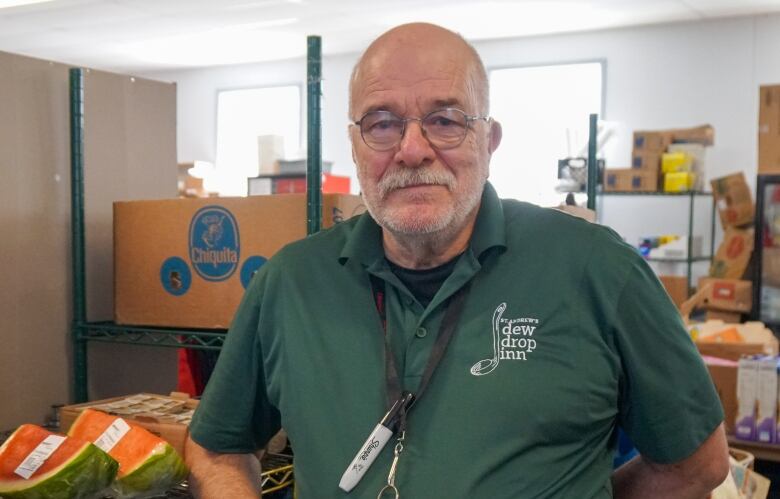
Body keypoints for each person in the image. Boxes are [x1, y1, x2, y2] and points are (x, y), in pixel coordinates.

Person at [185, 23, 729, 498]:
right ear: (355, 147)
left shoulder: (597, 270)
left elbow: (694, 466)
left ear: (488, 141)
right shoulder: (292, 282)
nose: (413, 149)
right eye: (382, 123)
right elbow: (216, 449)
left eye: (445, 120)